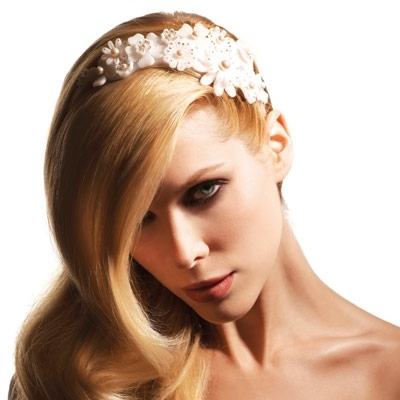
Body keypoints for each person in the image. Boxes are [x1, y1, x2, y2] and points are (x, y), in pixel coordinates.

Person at [9, 10, 400, 400]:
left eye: (204, 192)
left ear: (276, 147)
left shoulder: (390, 374)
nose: (184, 253)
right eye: (139, 220)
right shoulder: (78, 379)